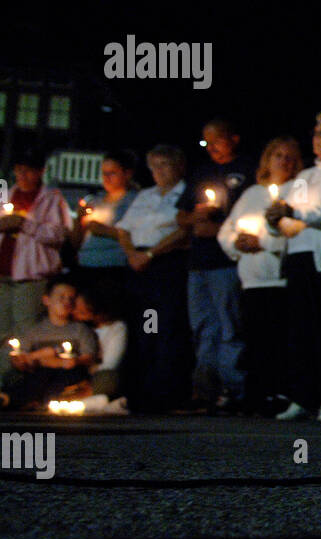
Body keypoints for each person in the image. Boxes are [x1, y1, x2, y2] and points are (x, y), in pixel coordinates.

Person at [267, 112, 321, 421]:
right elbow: (288, 220)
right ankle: (302, 396)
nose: (318, 138)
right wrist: (275, 220)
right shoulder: (304, 176)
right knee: (300, 330)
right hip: (298, 257)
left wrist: (294, 212)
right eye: (315, 132)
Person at [0, 149, 71, 394]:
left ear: (40, 172)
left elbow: (58, 235)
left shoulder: (51, 199)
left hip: (30, 277)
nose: (22, 175)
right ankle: (4, 388)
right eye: (18, 170)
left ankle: (26, 389)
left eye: (28, 170)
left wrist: (25, 224)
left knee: (27, 333)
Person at [176, 118, 255, 412]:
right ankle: (205, 389)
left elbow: (251, 214)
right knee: (203, 325)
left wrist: (220, 227)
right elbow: (181, 216)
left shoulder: (247, 170)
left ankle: (235, 389)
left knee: (228, 324)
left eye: (217, 140)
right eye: (206, 142)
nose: (211, 148)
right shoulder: (202, 172)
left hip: (226, 260)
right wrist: (196, 217)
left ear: (233, 138)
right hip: (199, 262)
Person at [218, 136, 301, 417]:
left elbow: (297, 231)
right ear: (267, 160)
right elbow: (226, 230)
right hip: (251, 279)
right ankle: (254, 395)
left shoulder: (296, 192)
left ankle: (278, 394)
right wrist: (236, 244)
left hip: (280, 278)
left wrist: (264, 244)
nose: (283, 161)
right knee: (254, 339)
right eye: (278, 155)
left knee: (279, 339)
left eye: (289, 156)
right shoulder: (251, 194)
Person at [115, 144, 192, 412]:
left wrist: (149, 254)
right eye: (154, 166)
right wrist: (132, 254)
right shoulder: (145, 195)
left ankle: (166, 391)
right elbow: (124, 229)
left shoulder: (185, 193)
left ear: (178, 166)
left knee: (164, 327)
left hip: (164, 264)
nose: (158, 171)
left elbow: (184, 230)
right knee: (143, 327)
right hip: (139, 267)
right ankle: (140, 390)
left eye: (164, 165)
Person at [0, 275, 99, 410]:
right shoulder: (35, 330)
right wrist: (21, 361)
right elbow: (22, 357)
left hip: (68, 373)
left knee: (64, 378)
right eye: (61, 297)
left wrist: (75, 361)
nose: (66, 301)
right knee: (36, 377)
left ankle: (33, 401)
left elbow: (89, 357)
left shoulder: (80, 330)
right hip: (40, 372)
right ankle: (10, 398)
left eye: (71, 298)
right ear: (46, 300)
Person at [71, 149, 139, 302]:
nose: (106, 178)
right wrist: (78, 220)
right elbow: (76, 242)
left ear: (127, 174)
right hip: (85, 265)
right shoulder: (94, 201)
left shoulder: (135, 201)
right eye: (104, 173)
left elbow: (139, 236)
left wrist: (105, 231)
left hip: (112, 267)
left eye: (112, 173)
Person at [74, 283, 129, 404]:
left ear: (99, 314)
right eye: (75, 308)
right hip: (76, 375)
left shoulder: (116, 328)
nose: (76, 314)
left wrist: (92, 368)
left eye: (82, 312)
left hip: (98, 376)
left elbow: (110, 364)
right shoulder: (77, 327)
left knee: (108, 379)